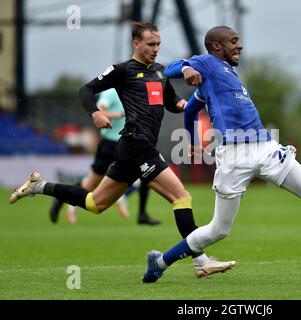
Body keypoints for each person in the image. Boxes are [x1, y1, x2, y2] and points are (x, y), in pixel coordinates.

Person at [141, 26, 301, 283]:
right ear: (217, 46)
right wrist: (186, 69)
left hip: (266, 148)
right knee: (219, 230)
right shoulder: (207, 63)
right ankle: (160, 262)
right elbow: (173, 68)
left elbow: (191, 110)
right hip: (234, 156)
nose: (239, 45)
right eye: (234, 41)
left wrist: (191, 139)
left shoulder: (225, 75)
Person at [9, 22, 235, 278]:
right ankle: (201, 261)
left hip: (134, 147)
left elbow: (171, 102)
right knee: (181, 197)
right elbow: (86, 90)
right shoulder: (122, 70)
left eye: (158, 44)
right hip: (136, 143)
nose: (156, 49)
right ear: (136, 43)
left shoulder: (160, 73)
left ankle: (40, 186)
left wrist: (185, 104)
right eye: (151, 44)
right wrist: (95, 112)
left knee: (95, 203)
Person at [49, 88, 161, 226]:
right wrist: (121, 114)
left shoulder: (131, 91)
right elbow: (100, 111)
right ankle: (60, 199)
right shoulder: (111, 93)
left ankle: (141, 213)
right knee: (90, 184)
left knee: (148, 172)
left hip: (130, 142)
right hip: (110, 144)